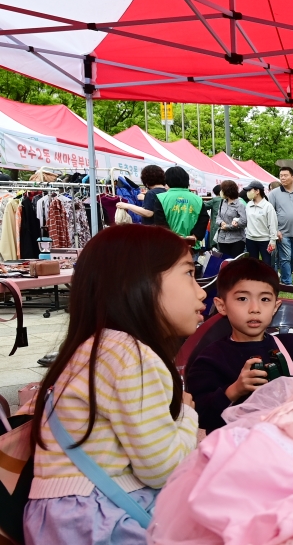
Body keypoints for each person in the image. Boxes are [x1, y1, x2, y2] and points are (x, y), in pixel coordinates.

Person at [25, 224, 205, 544]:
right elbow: (163, 470)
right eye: (189, 273)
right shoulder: (131, 356)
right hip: (99, 519)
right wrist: (187, 416)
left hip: (59, 517)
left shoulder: (95, 348)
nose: (202, 291)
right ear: (140, 283)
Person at [185, 258, 293, 432]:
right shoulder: (211, 359)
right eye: (243, 298)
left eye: (265, 299)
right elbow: (198, 416)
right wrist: (233, 390)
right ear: (221, 306)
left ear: (275, 307)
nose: (255, 308)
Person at [153, 166, 208, 253]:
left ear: (167, 180)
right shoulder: (197, 199)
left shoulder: (161, 198)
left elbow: (160, 222)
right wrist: (195, 236)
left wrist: (172, 237)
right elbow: (204, 219)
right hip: (191, 245)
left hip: (169, 245)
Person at [243, 180, 278, 266]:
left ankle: (267, 279)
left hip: (264, 240)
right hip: (250, 239)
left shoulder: (268, 206)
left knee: (267, 264)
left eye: (249, 190)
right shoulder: (248, 205)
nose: (248, 193)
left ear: (257, 191)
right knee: (252, 264)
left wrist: (273, 240)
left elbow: (272, 224)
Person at [215, 180, 247, 259]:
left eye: (222, 190)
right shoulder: (222, 202)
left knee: (235, 263)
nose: (221, 192)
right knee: (225, 261)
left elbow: (244, 221)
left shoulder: (240, 204)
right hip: (222, 238)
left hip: (236, 239)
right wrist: (221, 223)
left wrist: (228, 227)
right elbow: (218, 216)